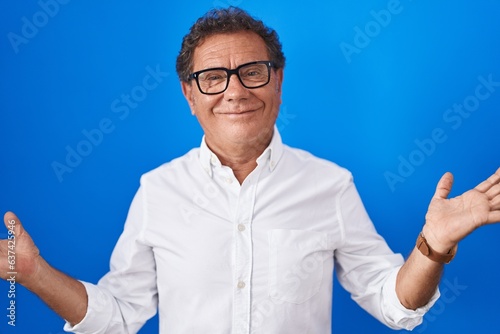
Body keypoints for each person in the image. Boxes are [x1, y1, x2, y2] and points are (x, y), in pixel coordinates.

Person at [1, 6, 499, 334]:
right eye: (213, 78)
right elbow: (118, 316)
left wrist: (433, 245)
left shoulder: (330, 185)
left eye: (252, 73)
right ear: (190, 95)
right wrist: (34, 274)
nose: (235, 91)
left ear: (277, 82)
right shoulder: (157, 191)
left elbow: (394, 305)